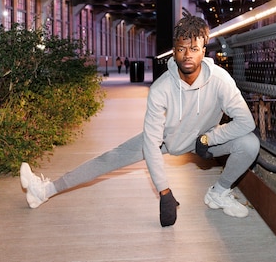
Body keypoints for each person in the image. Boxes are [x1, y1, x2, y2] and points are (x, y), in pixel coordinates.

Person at [20, 13, 260, 227]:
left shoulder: (220, 80)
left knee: (249, 143)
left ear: (204, 50)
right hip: (169, 138)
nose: (187, 55)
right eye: (181, 48)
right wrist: (164, 191)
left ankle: (219, 192)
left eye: (194, 49)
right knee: (108, 159)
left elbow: (246, 122)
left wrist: (210, 137)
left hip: (205, 140)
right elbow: (152, 144)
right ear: (174, 50)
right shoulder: (161, 88)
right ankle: (44, 191)